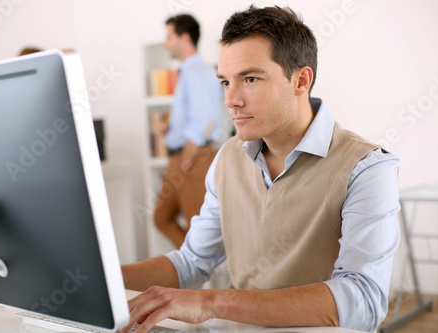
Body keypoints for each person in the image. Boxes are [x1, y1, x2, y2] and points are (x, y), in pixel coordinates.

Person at [121, 5, 400, 333]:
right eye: (225, 82)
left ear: (301, 80)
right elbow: (191, 263)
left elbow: (364, 301)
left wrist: (211, 302)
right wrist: (94, 280)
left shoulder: (366, 168)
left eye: (250, 79)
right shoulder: (227, 158)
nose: (231, 100)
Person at [153, 14, 221, 248]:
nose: (165, 43)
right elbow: (194, 115)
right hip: (182, 156)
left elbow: (202, 121)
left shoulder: (198, 72)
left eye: (169, 37)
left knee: (199, 231)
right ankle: (192, 267)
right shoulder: (188, 72)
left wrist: (186, 161)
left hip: (192, 157)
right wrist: (170, 128)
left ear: (184, 37)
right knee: (161, 218)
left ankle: (197, 274)